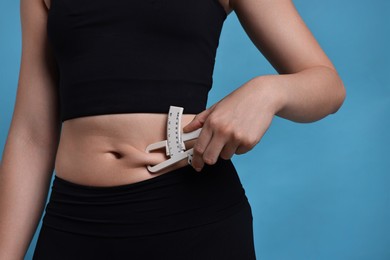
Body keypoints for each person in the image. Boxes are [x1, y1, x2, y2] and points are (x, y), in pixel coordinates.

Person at [0, 0, 346, 259]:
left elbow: (328, 86)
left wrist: (269, 91)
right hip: (75, 222)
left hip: (193, 221)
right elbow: (32, 134)